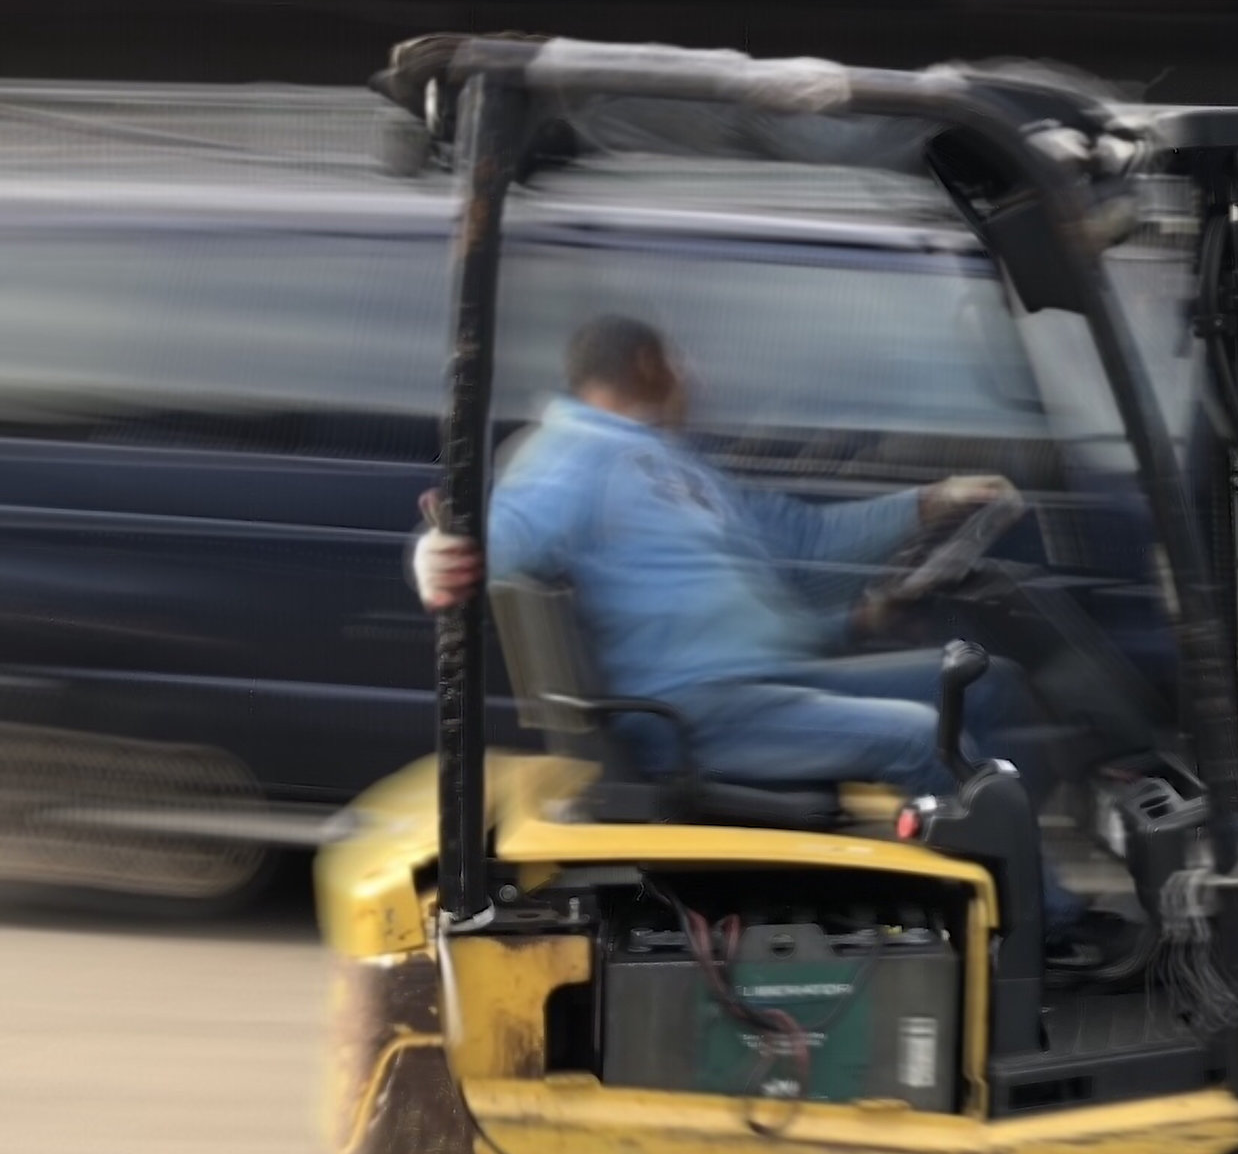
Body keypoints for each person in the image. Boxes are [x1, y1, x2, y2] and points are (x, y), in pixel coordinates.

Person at [412, 314, 1145, 981]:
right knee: (924, 736)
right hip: (701, 710)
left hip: (766, 682)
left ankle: (1004, 864)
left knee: (991, 683)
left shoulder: (665, 463)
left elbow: (798, 540)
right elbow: (496, 539)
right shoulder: (577, 454)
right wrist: (438, 554)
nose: (694, 379)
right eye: (681, 360)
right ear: (646, 363)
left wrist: (930, 503)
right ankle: (1043, 932)